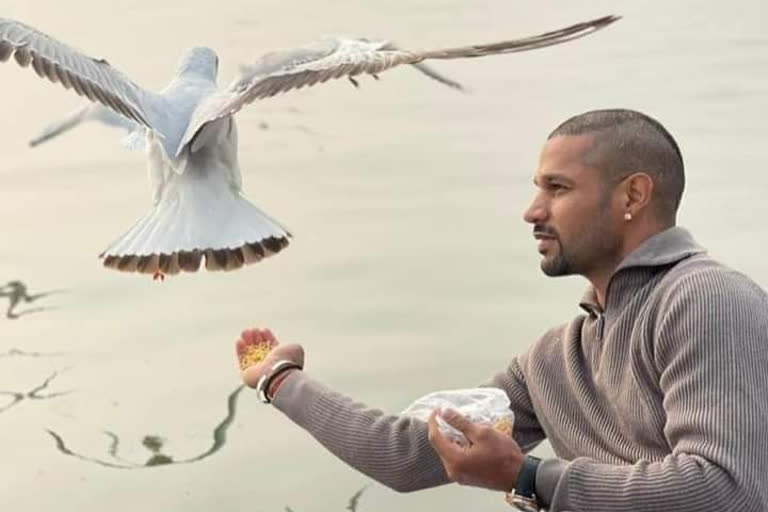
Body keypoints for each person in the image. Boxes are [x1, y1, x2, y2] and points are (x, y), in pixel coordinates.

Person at [234, 109, 768, 511]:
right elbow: (408, 457)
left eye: (557, 189)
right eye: (537, 189)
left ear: (633, 195)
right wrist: (281, 381)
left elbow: (726, 489)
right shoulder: (555, 360)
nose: (532, 211)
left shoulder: (706, 300)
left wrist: (529, 478)